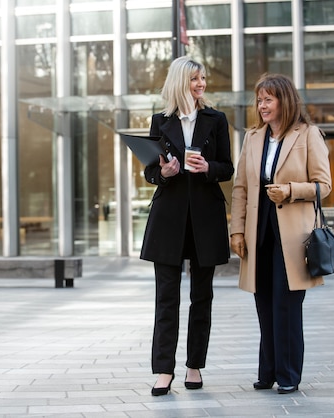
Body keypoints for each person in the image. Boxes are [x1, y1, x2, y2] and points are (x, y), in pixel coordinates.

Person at [229, 73, 331, 394]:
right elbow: (241, 188)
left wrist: (289, 191)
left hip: (293, 238)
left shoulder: (308, 135)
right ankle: (268, 371)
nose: (261, 106)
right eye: (259, 100)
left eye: (267, 100)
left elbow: (323, 186)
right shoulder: (253, 138)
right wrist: (236, 231)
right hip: (258, 234)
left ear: (283, 101)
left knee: (286, 307)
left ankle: (288, 375)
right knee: (264, 305)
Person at [140, 56, 234, 396]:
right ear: (181, 81)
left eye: (204, 78)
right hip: (168, 221)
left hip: (205, 219)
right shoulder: (159, 121)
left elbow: (227, 168)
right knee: (166, 298)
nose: (201, 84)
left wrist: (208, 167)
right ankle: (163, 370)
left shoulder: (216, 120)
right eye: (195, 78)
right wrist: (161, 174)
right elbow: (150, 170)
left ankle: (194, 366)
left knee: (202, 296)